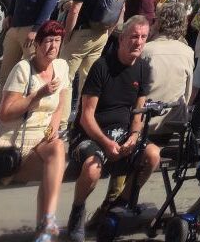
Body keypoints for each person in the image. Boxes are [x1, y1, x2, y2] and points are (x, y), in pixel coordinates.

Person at [66, 13, 161, 242]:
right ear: (121, 39)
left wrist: (135, 136)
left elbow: (139, 111)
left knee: (153, 155)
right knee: (92, 168)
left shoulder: (143, 68)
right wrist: (106, 143)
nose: (138, 42)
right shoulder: (102, 67)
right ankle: (77, 211)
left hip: (124, 134)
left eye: (143, 37)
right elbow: (86, 117)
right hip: (92, 135)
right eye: (133, 37)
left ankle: (116, 208)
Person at [0, 15, 71, 242]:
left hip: (41, 141)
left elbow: (61, 101)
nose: (52, 46)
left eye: (57, 41)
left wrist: (54, 126)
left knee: (57, 148)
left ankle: (47, 222)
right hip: (13, 147)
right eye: (47, 41)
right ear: (36, 45)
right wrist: (38, 95)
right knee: (54, 165)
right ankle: (45, 225)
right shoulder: (23, 69)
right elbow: (5, 112)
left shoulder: (61, 67)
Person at [62, 0, 123, 95]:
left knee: (65, 77)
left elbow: (75, 10)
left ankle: (62, 118)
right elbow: (122, 9)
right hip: (101, 33)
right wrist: (109, 32)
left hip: (81, 34)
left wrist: (67, 35)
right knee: (89, 79)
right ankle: (84, 114)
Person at [141, 0, 196, 140]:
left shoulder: (145, 51)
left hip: (145, 123)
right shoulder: (188, 52)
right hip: (174, 124)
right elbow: (187, 95)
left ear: (159, 22)